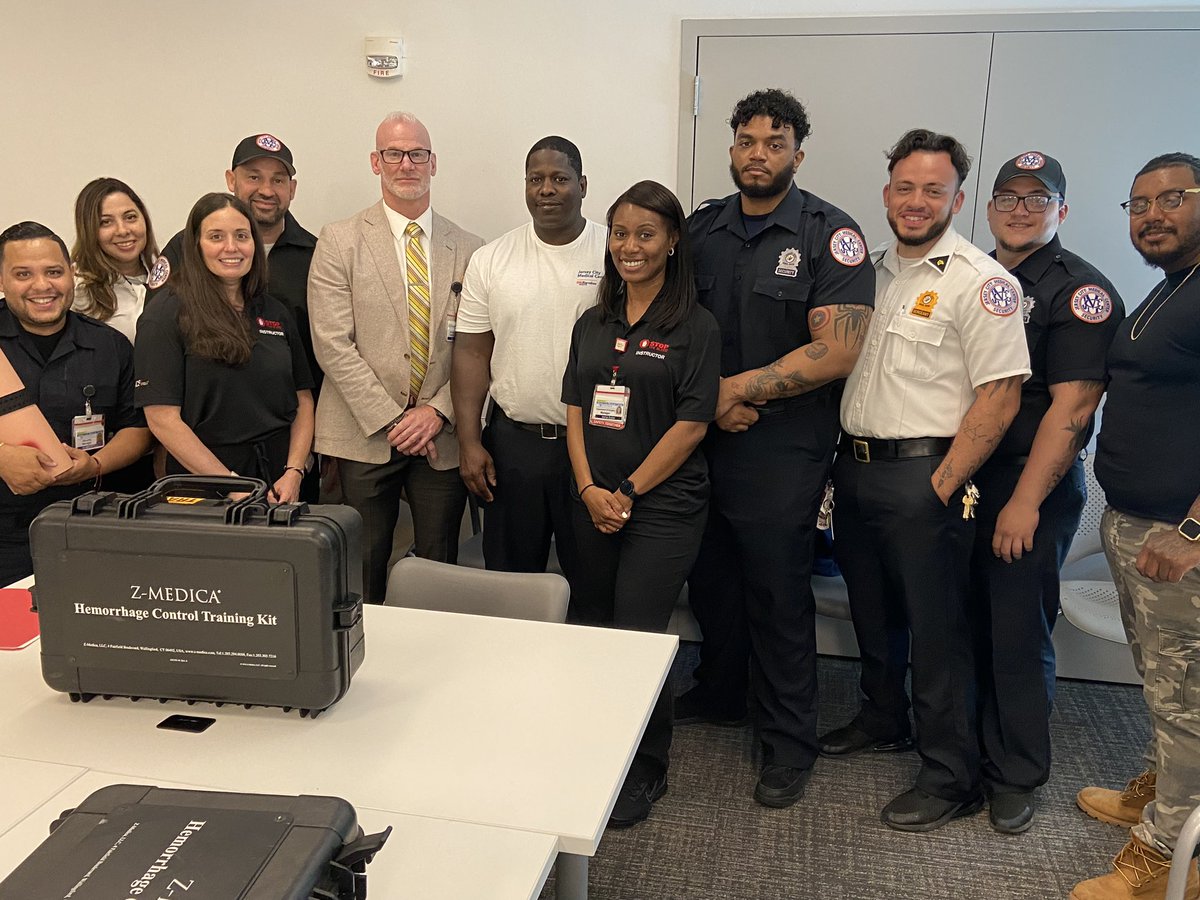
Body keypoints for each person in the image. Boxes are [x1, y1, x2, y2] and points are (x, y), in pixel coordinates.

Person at [821, 129, 1030, 832]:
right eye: (905, 188)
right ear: (886, 194)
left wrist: (942, 483)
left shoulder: (982, 282)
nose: (916, 202)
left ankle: (952, 776)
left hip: (928, 477)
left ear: (957, 198)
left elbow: (1000, 396)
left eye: (933, 190)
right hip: (854, 472)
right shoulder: (867, 273)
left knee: (940, 634)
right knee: (873, 614)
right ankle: (884, 718)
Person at [680, 88, 875, 808]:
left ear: (798, 151)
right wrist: (707, 405)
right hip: (703, 441)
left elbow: (837, 351)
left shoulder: (831, 234)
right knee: (713, 582)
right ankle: (723, 692)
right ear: (732, 147)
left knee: (776, 591)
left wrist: (734, 391)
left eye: (774, 142)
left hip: (782, 450)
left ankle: (790, 741)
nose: (758, 154)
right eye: (746, 141)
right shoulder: (702, 229)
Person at [970, 151, 1125, 834]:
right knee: (967, 622)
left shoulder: (1078, 292)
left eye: (1039, 197)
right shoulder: (971, 276)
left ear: (1062, 209)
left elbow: (1071, 411)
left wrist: (1025, 503)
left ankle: (1017, 774)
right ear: (989, 206)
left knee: (1016, 632)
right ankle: (971, 751)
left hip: (1026, 483)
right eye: (1008, 195)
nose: (1021, 208)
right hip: (966, 481)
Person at [563, 180, 720, 827]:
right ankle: (599, 747)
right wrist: (588, 489)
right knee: (593, 625)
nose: (631, 246)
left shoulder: (695, 326)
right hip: (593, 500)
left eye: (645, 234)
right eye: (621, 233)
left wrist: (626, 493)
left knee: (637, 634)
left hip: (662, 506)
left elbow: (692, 425)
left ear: (672, 241)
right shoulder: (592, 321)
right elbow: (574, 411)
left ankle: (647, 765)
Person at [1072, 152, 1200, 900]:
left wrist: (1189, 534)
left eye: (1173, 198)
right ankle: (1167, 803)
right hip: (1135, 526)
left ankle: (1168, 859)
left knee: (1186, 699)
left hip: (1175, 539)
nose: (1152, 214)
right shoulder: (1169, 289)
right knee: (1164, 684)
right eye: (1138, 203)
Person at [308, 112, 482, 603]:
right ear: (375, 161)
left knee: (438, 568)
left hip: (440, 436)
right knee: (360, 568)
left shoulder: (470, 248)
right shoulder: (338, 240)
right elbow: (332, 344)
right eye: (393, 153)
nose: (406, 164)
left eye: (417, 154)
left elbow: (479, 347)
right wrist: (392, 419)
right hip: (363, 435)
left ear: (433, 163)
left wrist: (436, 412)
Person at [451, 136, 607, 586]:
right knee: (511, 584)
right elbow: (471, 352)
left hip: (595, 447)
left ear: (582, 185)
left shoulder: (613, 253)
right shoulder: (491, 259)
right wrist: (468, 441)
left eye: (559, 179)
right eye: (535, 179)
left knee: (592, 582)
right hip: (515, 446)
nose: (547, 189)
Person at [149, 135, 320, 498]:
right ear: (194, 244)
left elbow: (303, 395)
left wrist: (295, 471)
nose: (231, 247)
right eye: (216, 237)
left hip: (284, 478)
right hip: (205, 483)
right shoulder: (168, 311)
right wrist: (232, 485)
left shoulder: (281, 300)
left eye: (242, 236)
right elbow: (163, 415)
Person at [0, 221, 150, 584]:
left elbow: (139, 428)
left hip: (87, 528)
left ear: (71, 273)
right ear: (2, 281)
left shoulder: (111, 346)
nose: (42, 286)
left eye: (53, 271)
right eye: (23, 274)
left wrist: (95, 464)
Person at [71, 177, 160, 345]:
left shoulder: (172, 276)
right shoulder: (77, 290)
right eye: (106, 222)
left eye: (130, 217)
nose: (123, 230)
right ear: (89, 230)